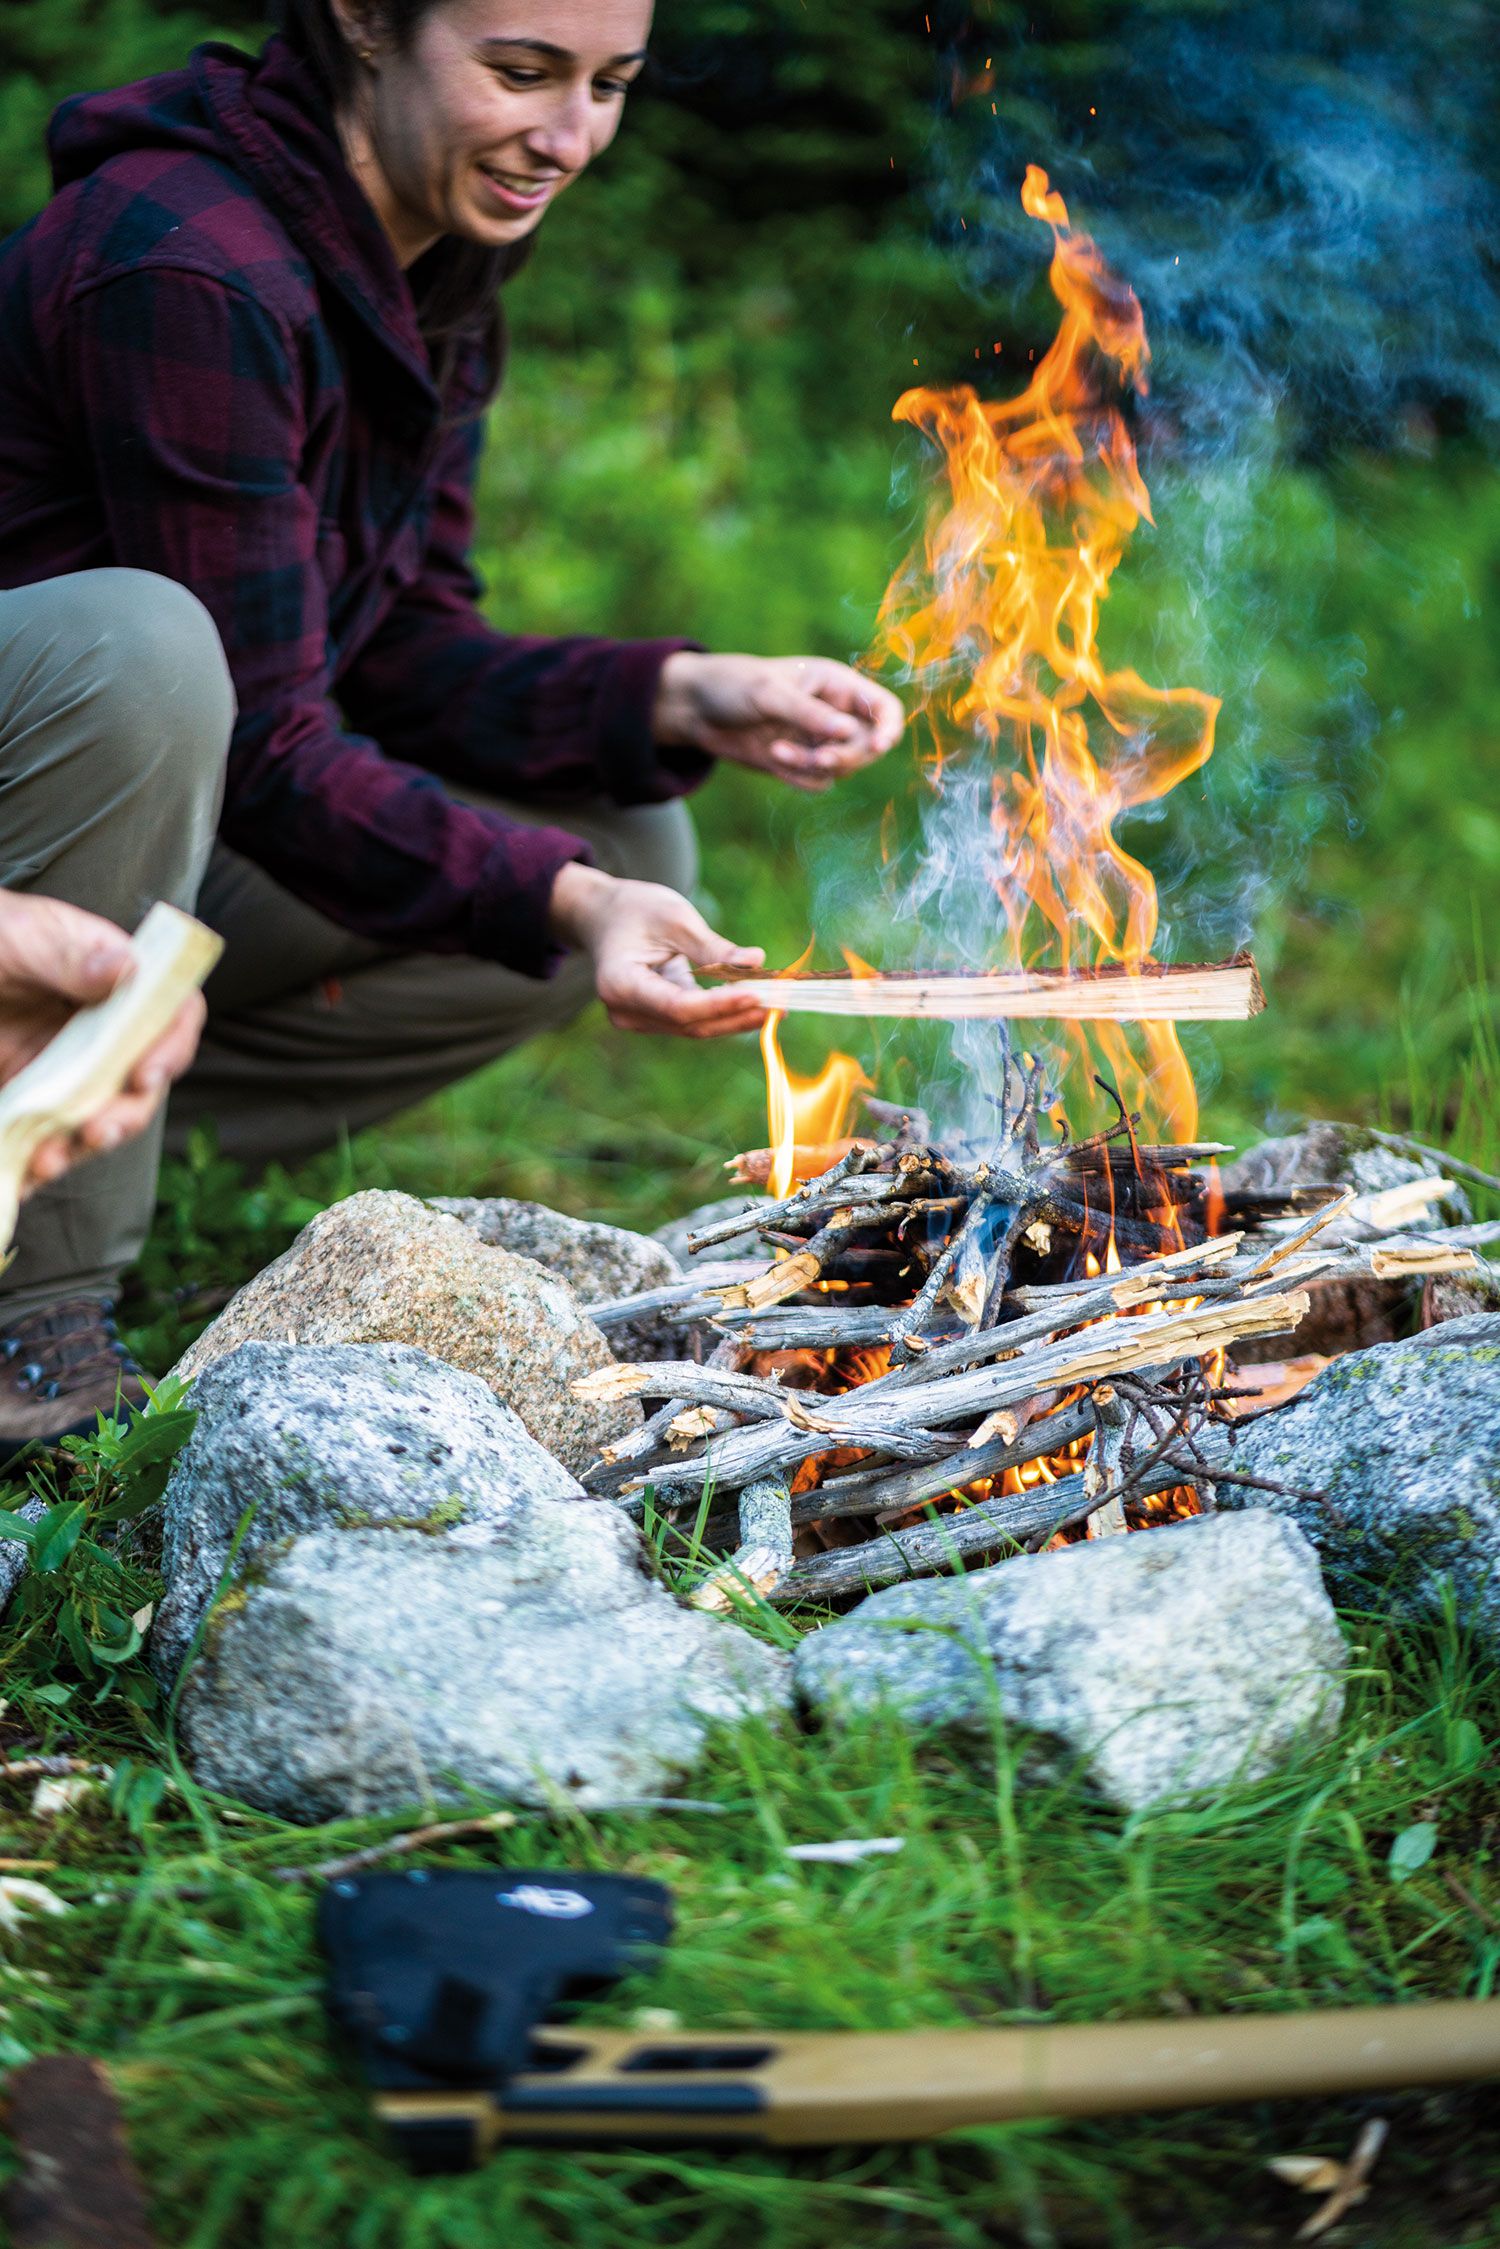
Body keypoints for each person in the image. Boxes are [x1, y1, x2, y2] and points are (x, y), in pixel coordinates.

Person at [0, 0, 904, 1456]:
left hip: (136, 845)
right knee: (147, 651)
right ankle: (33, 1313)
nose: (568, 138)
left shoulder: (432, 242)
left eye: (612, 85)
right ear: (364, 16)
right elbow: (266, 733)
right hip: (34, 804)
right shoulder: (190, 260)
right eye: (521, 71)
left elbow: (398, 638)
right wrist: (558, 892)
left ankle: (105, 1140)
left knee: (623, 833)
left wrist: (674, 691)